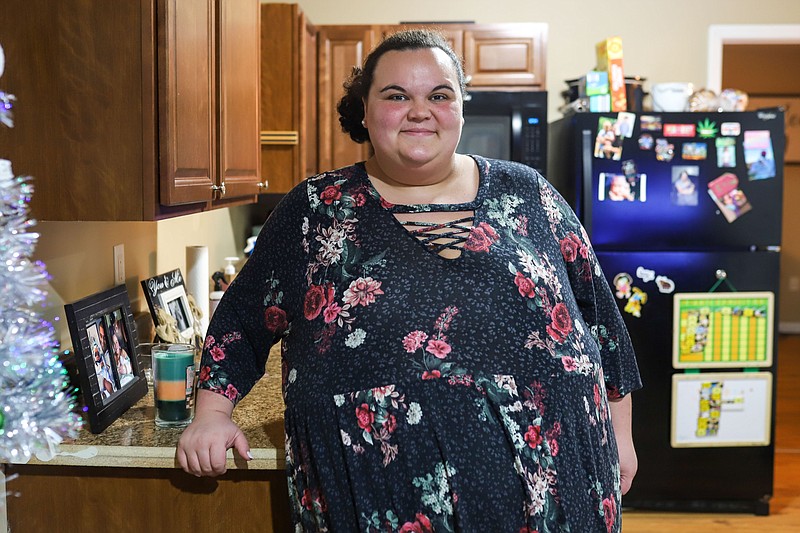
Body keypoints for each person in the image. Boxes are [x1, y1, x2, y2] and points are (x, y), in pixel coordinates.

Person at [177, 29, 641, 532]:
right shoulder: (315, 210)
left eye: (439, 95)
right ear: (364, 110)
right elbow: (241, 323)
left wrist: (622, 437)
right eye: (397, 96)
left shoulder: (529, 193)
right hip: (381, 497)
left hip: (560, 487)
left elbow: (602, 326)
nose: (420, 110)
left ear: (460, 108)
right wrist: (210, 415)